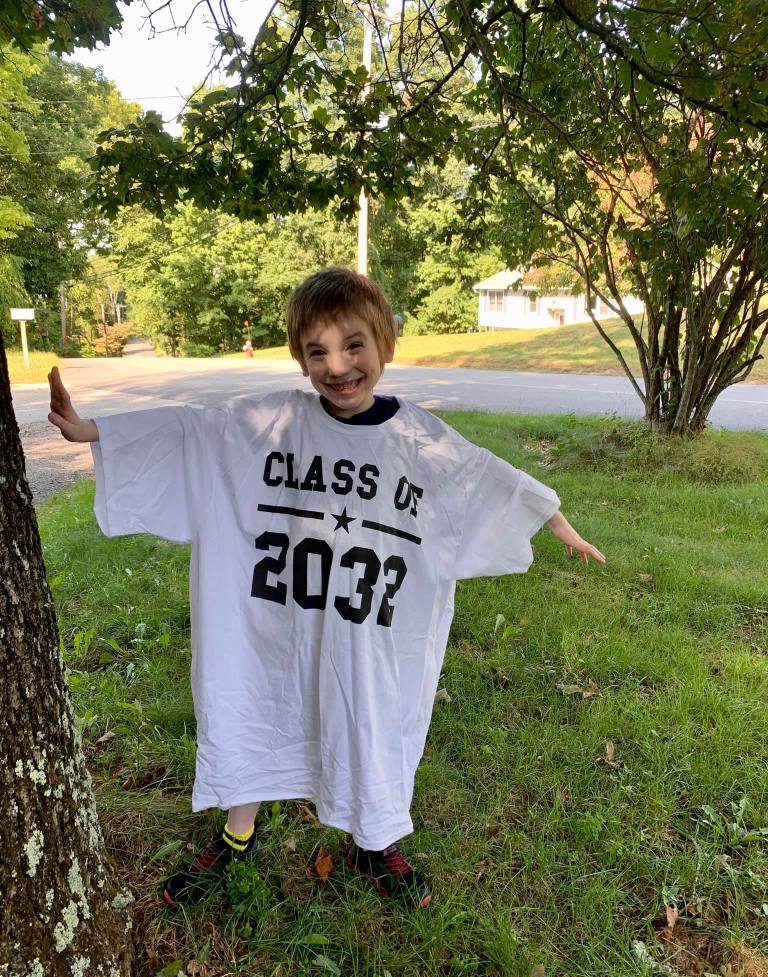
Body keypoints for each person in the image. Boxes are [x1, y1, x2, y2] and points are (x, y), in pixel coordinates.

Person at [48, 267, 605, 911]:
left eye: (353, 345)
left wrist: (551, 517)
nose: (337, 366)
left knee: (370, 720)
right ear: (300, 358)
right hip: (273, 620)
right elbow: (191, 432)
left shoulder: (420, 440)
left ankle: (375, 841)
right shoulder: (268, 424)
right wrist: (91, 431)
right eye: (317, 352)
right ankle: (236, 835)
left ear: (384, 343)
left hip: (369, 633)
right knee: (253, 705)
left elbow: (483, 479)